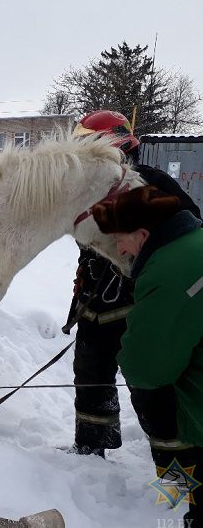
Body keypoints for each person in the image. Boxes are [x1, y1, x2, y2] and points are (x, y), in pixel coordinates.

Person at [66, 110, 201, 460]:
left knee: (150, 384)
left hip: (141, 299)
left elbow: (182, 232)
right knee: (90, 368)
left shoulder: (149, 183)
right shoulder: (95, 190)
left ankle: (176, 465)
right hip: (97, 299)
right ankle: (93, 441)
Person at [92, 186, 203, 527]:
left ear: (143, 233)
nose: (119, 250)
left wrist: (131, 357)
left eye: (121, 240)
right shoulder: (191, 243)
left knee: (157, 409)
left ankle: (175, 488)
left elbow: (147, 368)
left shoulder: (167, 271)